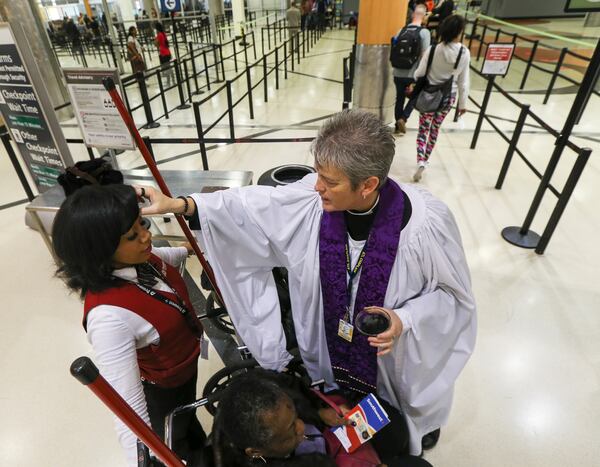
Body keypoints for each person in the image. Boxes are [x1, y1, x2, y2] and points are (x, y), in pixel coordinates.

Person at [138, 109, 477, 458]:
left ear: (368, 185)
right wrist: (182, 204)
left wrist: (404, 319)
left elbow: (452, 298)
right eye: (318, 174)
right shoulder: (313, 204)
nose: (317, 187)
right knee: (339, 390)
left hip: (393, 354)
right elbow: (253, 207)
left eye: (330, 181)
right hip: (333, 341)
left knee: (399, 414)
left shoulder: (426, 226)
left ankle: (409, 430)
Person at [52, 184, 206, 467]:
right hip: (163, 394)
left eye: (142, 224)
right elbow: (128, 410)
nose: (147, 236)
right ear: (100, 252)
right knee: (174, 438)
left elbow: (164, 261)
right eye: (133, 235)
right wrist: (148, 459)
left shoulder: (140, 259)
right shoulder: (109, 318)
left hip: (185, 372)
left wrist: (190, 249)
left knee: (188, 423)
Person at [213, 369, 433, 467]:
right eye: (290, 431)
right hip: (333, 457)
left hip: (333, 437)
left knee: (393, 425)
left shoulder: (263, 391)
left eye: (295, 415)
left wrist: (316, 411)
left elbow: (298, 389)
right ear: (256, 452)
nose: (301, 427)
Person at [412, 14, 470, 182]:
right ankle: (427, 158)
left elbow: (419, 74)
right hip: (447, 98)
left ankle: (420, 160)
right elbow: (463, 82)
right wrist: (462, 104)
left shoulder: (432, 49)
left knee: (424, 128)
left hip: (429, 96)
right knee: (435, 129)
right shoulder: (464, 53)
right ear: (459, 32)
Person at [391, 5, 430, 135]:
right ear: (424, 16)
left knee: (399, 98)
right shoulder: (424, 32)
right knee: (415, 97)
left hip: (397, 72)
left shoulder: (400, 31)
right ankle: (403, 118)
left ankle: (397, 127)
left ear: (413, 15)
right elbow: (424, 56)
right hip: (412, 73)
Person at [155, 22, 174, 87]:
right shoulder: (163, 34)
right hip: (167, 52)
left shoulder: (159, 34)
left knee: (166, 68)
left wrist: (155, 39)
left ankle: (168, 82)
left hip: (163, 53)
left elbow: (156, 44)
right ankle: (173, 80)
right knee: (169, 67)